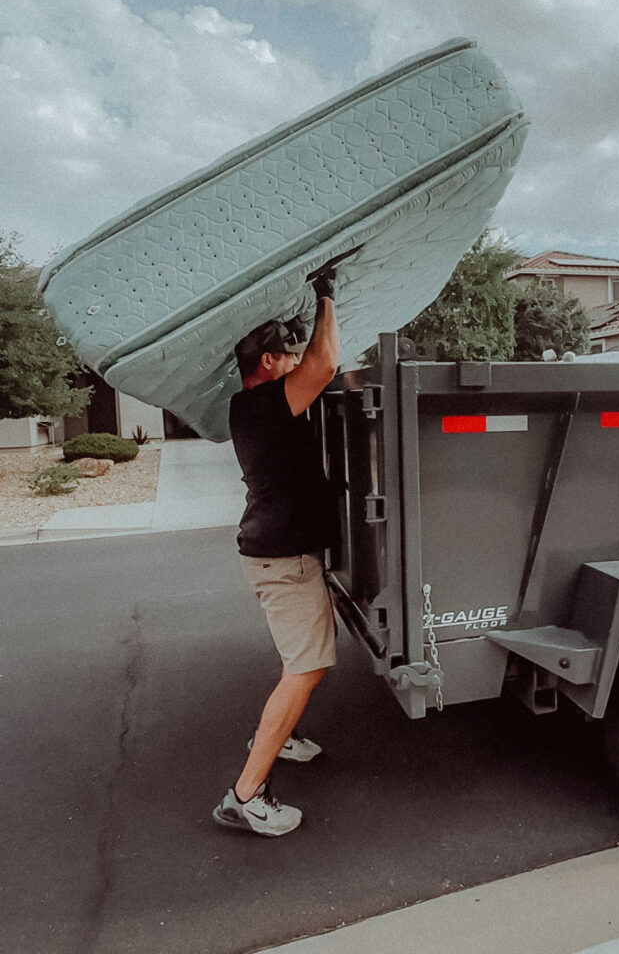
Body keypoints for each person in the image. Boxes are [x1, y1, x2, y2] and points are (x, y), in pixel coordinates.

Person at [212, 255, 345, 837]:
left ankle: (281, 736)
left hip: (270, 552)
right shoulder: (267, 403)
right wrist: (326, 296)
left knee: (299, 657)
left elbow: (315, 367)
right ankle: (246, 795)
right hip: (282, 559)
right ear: (268, 362)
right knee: (308, 666)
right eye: (287, 355)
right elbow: (326, 361)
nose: (297, 363)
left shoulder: (251, 406)